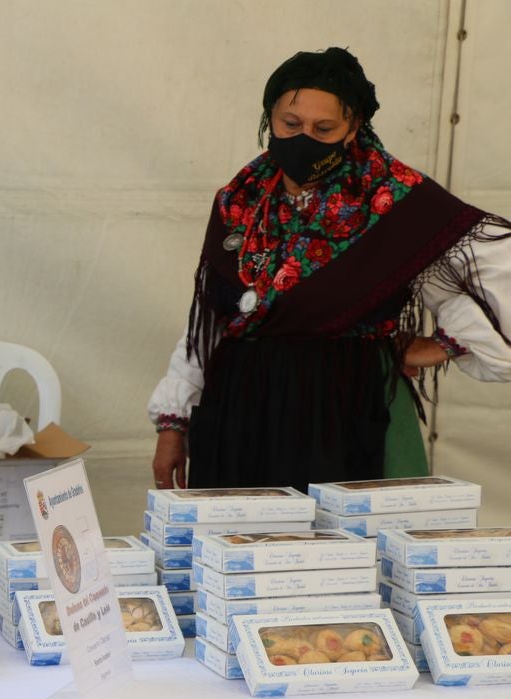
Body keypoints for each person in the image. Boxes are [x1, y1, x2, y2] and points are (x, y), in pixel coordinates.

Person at [148, 48, 511, 492]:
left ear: (354, 127)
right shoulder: (241, 199)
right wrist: (174, 423)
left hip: (345, 409)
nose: (304, 138)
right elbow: (211, 319)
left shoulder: (391, 199)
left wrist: (446, 343)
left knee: (339, 551)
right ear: (270, 118)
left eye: (324, 128)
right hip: (240, 411)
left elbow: (491, 270)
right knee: (241, 551)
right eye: (290, 124)